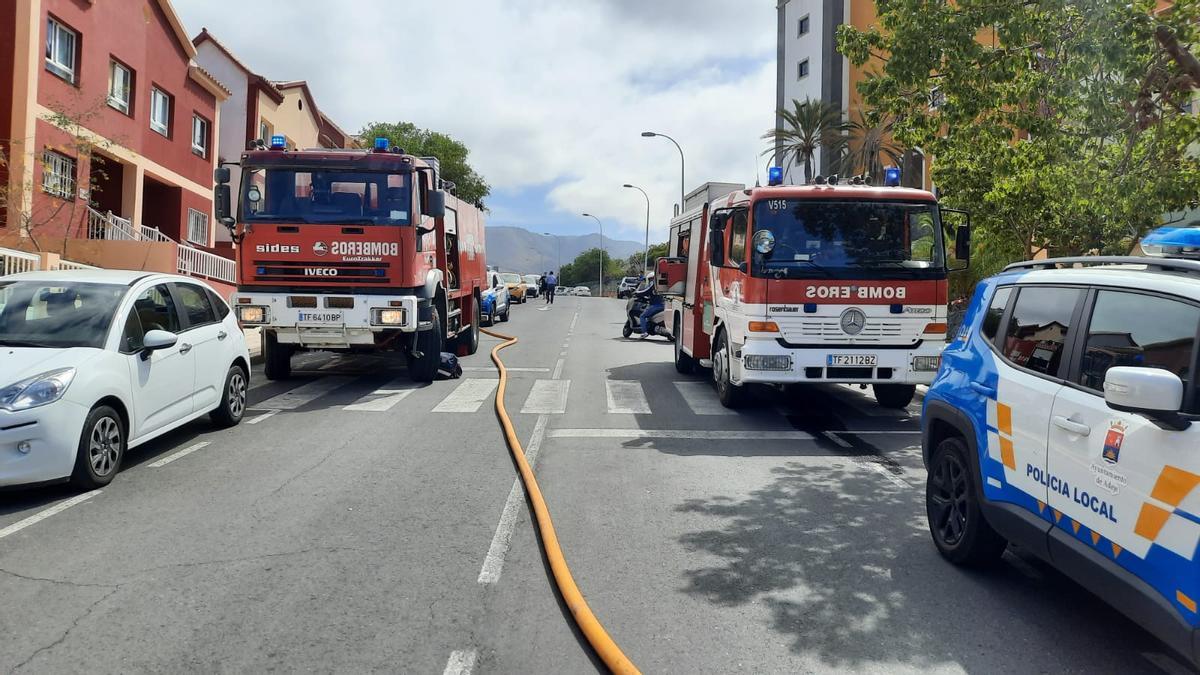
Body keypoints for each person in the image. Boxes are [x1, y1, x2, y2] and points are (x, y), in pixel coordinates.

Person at [634, 272, 663, 338]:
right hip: (663, 305)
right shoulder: (660, 285)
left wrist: (637, 293)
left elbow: (646, 292)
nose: (650, 280)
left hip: (656, 305)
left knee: (642, 316)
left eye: (650, 279)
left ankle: (644, 332)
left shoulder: (653, 284)